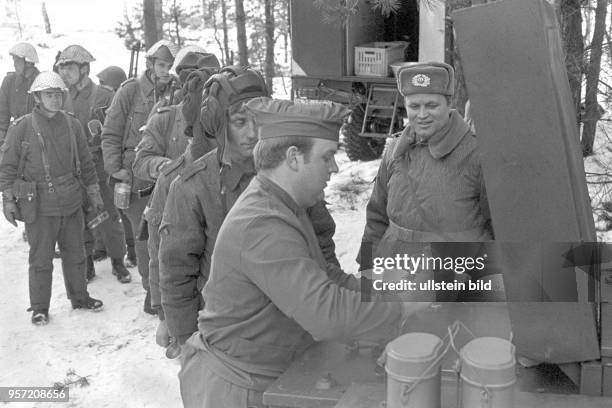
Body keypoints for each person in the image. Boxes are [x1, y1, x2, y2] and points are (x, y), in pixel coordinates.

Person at [177, 97, 427, 407]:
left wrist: (388, 288)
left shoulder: (287, 205)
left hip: (266, 374)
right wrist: (401, 308)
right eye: (327, 157)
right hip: (239, 387)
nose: (334, 168)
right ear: (294, 157)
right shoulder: (262, 223)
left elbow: (327, 276)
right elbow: (326, 314)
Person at [159, 67, 340, 350]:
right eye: (240, 122)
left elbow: (322, 246)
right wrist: (184, 340)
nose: (253, 133)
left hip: (295, 324)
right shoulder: (193, 186)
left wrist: (335, 310)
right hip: (232, 336)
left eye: (257, 121)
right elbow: (176, 271)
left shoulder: (291, 171)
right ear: (219, 124)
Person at [358, 62, 493, 298]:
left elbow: (496, 225)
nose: (421, 115)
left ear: (449, 104)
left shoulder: (477, 153)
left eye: (431, 105)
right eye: (414, 106)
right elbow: (377, 217)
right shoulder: (394, 150)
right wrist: (367, 267)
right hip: (396, 269)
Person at [0, 71, 104, 325]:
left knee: (76, 253)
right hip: (39, 205)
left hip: (71, 200)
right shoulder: (22, 127)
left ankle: (80, 297)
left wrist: (94, 191)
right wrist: (9, 200)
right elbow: (7, 168)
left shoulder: (72, 124)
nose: (55, 100)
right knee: (41, 258)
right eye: (49, 95)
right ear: (37, 98)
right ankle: (39, 308)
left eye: (58, 94)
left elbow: (86, 162)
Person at [141, 68, 217, 357]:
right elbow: (159, 253)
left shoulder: (239, 169)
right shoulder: (173, 179)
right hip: (193, 310)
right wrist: (164, 317)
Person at [101, 39, 178, 314]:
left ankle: (169, 292)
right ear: (150, 64)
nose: (166, 71)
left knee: (171, 236)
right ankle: (151, 293)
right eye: (161, 64)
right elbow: (110, 133)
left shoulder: (179, 91)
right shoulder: (130, 91)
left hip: (168, 173)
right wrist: (115, 168)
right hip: (136, 178)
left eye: (171, 65)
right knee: (144, 239)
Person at [56, 44, 131, 284]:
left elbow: (118, 133)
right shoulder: (61, 99)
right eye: (62, 68)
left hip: (100, 167)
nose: (65, 73)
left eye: (69, 67)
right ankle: (87, 263)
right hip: (72, 170)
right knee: (80, 220)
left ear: (84, 68)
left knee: (108, 216)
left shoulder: (105, 96)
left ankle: (118, 262)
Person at [95, 65, 137, 267]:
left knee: (125, 212)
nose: (101, 88)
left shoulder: (124, 106)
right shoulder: (110, 106)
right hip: (112, 167)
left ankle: (133, 251)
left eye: (105, 84)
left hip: (125, 168)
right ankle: (103, 247)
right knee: (113, 212)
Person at [0, 43, 40, 147]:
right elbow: (3, 111)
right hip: (14, 133)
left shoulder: (41, 82)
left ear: (29, 63)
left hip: (37, 136)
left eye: (17, 61)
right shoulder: (9, 81)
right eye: (14, 61)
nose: (14, 64)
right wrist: (2, 132)